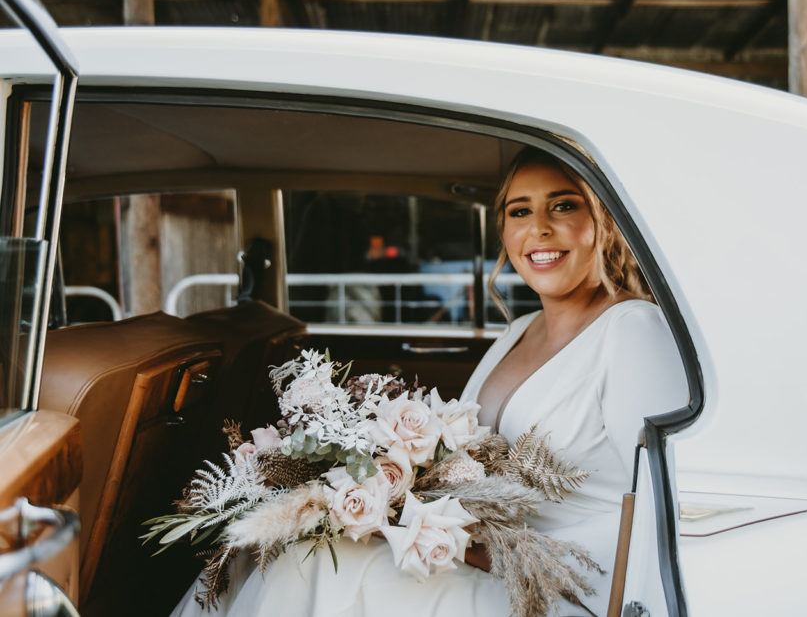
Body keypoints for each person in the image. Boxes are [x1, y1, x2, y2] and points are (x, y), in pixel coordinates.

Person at [170, 147, 688, 616]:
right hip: (479, 558)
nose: (541, 229)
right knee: (274, 549)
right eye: (520, 211)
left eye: (564, 205)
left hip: (565, 593)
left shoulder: (632, 332)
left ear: (604, 221)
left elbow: (664, 502)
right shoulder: (519, 331)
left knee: (306, 566)